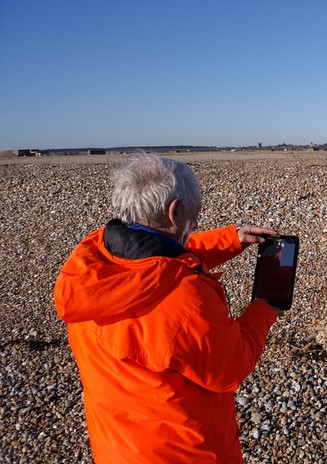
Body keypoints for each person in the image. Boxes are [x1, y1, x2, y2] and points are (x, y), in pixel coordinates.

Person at [54, 155, 282, 463]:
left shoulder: (93, 260)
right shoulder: (185, 302)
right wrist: (266, 307)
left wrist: (230, 239)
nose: (197, 222)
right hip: (184, 453)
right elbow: (229, 367)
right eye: (195, 214)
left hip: (118, 449)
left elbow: (155, 263)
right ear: (175, 212)